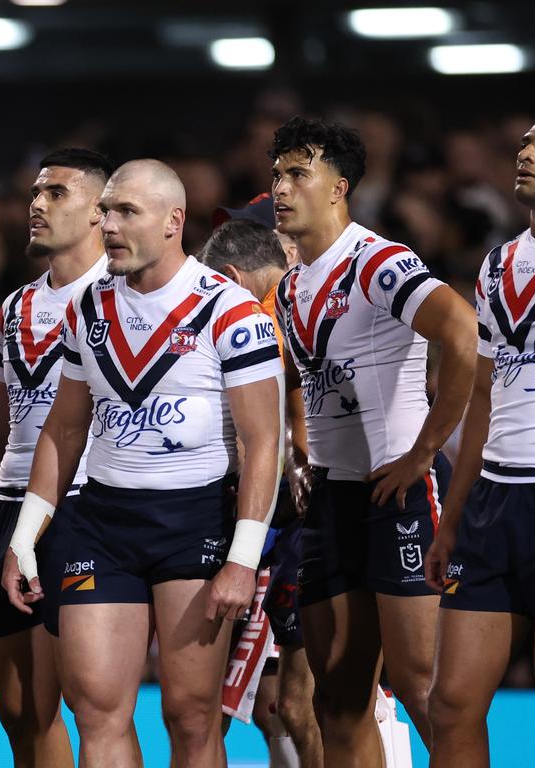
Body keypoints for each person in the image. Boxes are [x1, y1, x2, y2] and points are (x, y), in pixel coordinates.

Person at [2, 159, 284, 767]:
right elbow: (65, 426)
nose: (107, 224)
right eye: (104, 210)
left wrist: (242, 559)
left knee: (189, 716)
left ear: (172, 222)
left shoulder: (232, 312)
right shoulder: (88, 308)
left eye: (126, 211)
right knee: (97, 711)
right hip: (99, 521)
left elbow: (265, 444)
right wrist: (26, 537)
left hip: (195, 522)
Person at [269, 116, 476, 765]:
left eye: (298, 172)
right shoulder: (292, 286)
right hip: (333, 500)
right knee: (336, 698)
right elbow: (309, 389)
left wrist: (422, 453)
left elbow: (463, 335)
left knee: (423, 690)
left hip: (400, 493)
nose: (280, 186)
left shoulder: (377, 262)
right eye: (276, 173)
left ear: (339, 187)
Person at [0, 147, 110, 767]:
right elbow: (1, 428)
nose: (37, 205)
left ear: (102, 212)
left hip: (85, 508)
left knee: (88, 699)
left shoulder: (122, 295)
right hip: (11, 504)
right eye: (35, 193)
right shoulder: (15, 307)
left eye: (57, 194)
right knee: (19, 710)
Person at [426, 108, 535, 767]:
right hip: (494, 500)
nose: (527, 155)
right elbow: (483, 394)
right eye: (526, 144)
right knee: (450, 705)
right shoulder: (498, 263)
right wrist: (452, 518)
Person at [199, 216, 322, 768]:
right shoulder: (293, 307)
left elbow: (285, 427)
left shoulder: (268, 316)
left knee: (291, 705)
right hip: (277, 525)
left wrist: (296, 457)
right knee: (286, 704)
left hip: (283, 527)